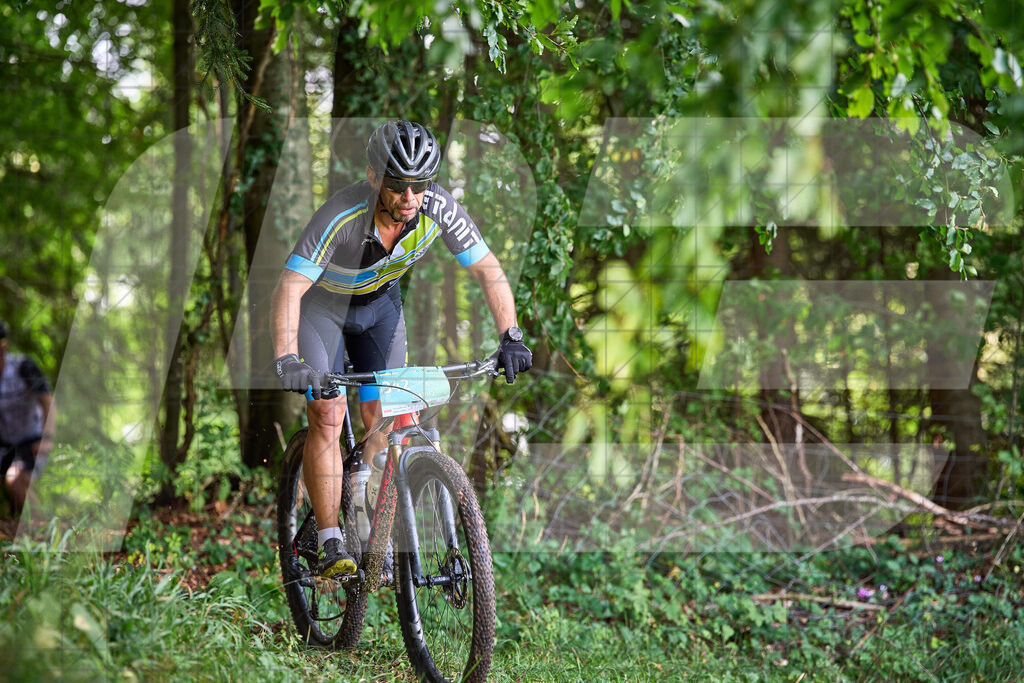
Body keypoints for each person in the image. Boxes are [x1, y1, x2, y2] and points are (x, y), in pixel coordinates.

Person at [270, 120, 532, 579]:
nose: (409, 197)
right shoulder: (341, 216)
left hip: (380, 310)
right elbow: (289, 287)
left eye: (420, 185)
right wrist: (287, 358)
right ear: (374, 177)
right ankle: (329, 538)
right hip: (324, 311)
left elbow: (488, 268)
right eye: (397, 185)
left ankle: (356, 489)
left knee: (386, 417)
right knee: (328, 415)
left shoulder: (438, 209)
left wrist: (510, 336)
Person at [0, 320, 55, 515]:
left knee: (16, 480)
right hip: (4, 445)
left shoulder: (23, 367)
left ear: (4, 347)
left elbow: (48, 401)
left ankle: (46, 531)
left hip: (30, 442)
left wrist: (46, 438)